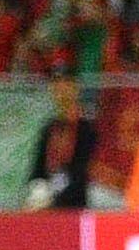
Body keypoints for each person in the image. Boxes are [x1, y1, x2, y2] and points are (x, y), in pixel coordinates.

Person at [23, 75, 93, 210]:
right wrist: (36, 189)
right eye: (55, 86)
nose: (60, 91)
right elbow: (38, 166)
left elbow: (82, 170)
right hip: (47, 203)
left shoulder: (87, 128)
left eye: (65, 85)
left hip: (75, 202)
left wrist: (53, 193)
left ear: (75, 89)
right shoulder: (49, 128)